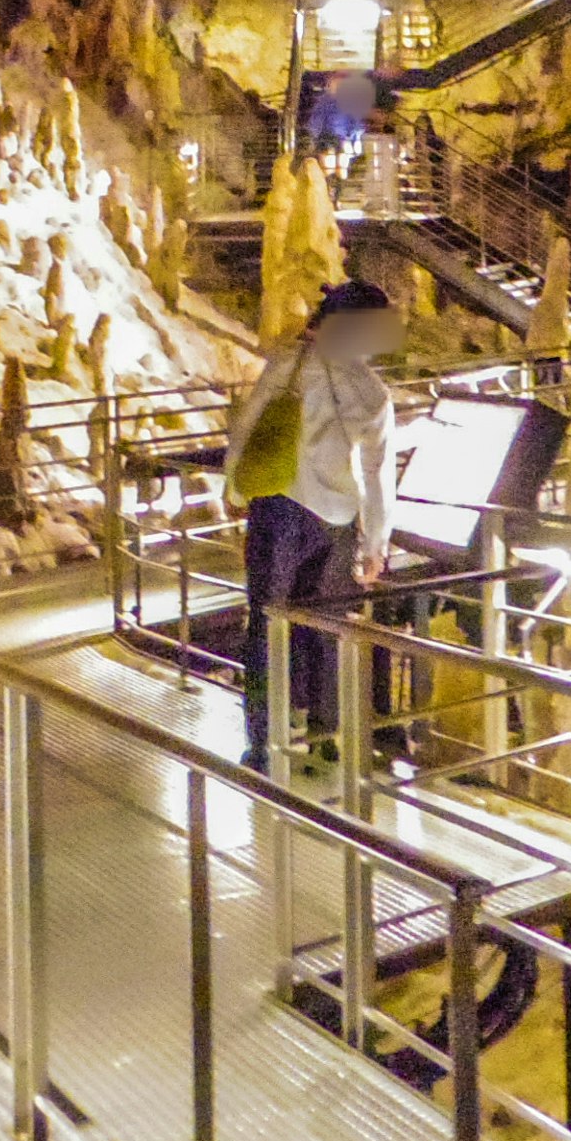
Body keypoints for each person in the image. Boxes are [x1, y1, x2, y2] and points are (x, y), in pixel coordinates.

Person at [226, 277, 398, 771]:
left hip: (279, 507)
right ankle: (327, 732)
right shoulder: (373, 393)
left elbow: (247, 425)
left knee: (266, 624)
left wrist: (236, 487)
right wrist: (376, 542)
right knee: (326, 628)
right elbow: (377, 474)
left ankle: (263, 740)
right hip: (338, 521)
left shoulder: (289, 364)